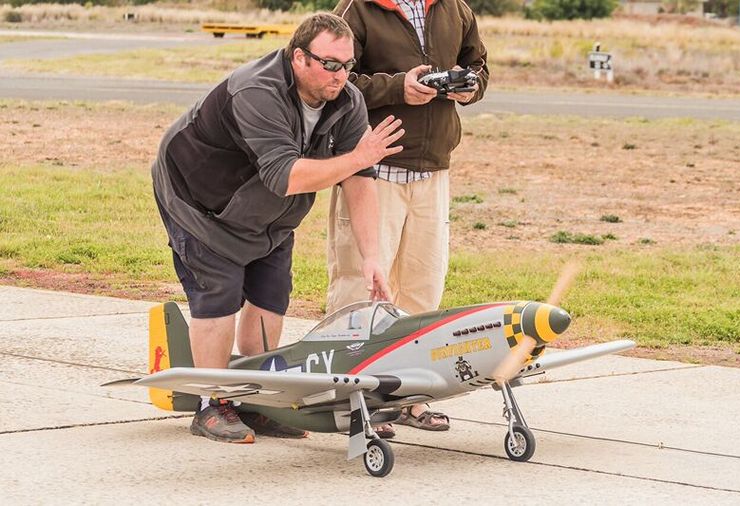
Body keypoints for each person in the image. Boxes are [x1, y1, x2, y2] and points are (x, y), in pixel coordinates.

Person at [152, 13, 401, 444]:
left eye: (348, 64)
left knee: (271, 297)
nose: (341, 75)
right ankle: (212, 404)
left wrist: (371, 257)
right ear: (299, 57)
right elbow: (284, 177)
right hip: (200, 203)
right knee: (219, 295)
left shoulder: (346, 101)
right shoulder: (257, 91)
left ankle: (258, 399)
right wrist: (359, 157)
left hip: (270, 217)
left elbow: (359, 181)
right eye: (330, 64)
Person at [329, 0, 489, 435]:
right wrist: (398, 87)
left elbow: (478, 65)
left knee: (422, 289)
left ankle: (409, 399)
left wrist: (469, 88)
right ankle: (350, 403)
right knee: (359, 290)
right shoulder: (358, 9)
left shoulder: (456, 8)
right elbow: (333, 79)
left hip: (433, 170)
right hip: (373, 170)